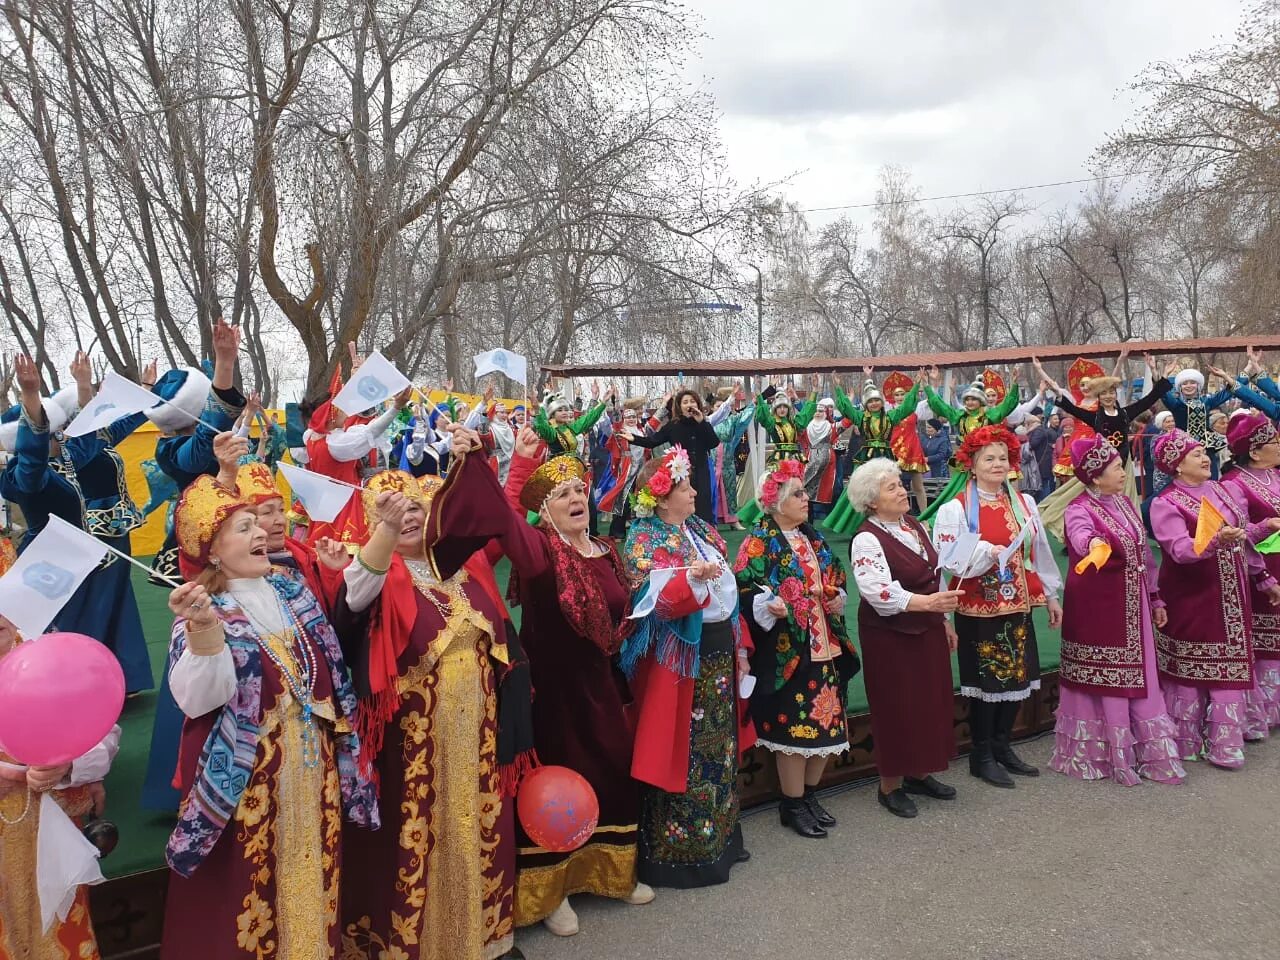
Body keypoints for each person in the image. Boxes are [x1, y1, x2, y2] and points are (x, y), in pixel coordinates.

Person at [432, 428, 653, 937]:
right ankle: (552, 892)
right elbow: (505, 519)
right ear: (546, 511)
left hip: (602, 684)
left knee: (614, 769)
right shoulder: (538, 553)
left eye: (579, 490)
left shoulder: (608, 549)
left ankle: (612, 873)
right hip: (553, 692)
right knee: (556, 783)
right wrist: (481, 462)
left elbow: (625, 614)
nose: (575, 499)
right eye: (562, 495)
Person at [159, 474, 379, 959]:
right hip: (248, 788)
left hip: (312, 774)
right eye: (244, 528)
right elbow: (196, 700)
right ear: (213, 551)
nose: (261, 533)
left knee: (313, 879)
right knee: (247, 895)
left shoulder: (291, 591)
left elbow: (331, 671)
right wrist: (203, 630)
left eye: (257, 523)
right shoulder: (204, 609)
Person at [334, 450, 533, 960]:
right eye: (394, 513)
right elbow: (352, 599)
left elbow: (496, 511)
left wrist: (502, 459)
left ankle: (484, 938)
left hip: (481, 737)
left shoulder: (467, 567)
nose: (409, 516)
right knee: (420, 837)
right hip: (413, 748)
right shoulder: (376, 576)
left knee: (479, 826)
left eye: (418, 508)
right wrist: (383, 531)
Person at [621, 447, 754, 888]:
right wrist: (688, 580)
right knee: (686, 749)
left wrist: (740, 645)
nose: (695, 491)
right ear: (660, 498)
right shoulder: (643, 536)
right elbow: (646, 601)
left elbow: (726, 588)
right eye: (685, 486)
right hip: (678, 664)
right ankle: (679, 854)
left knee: (717, 750)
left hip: (716, 652)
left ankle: (722, 841)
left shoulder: (698, 527)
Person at [0, 355, 155, 694]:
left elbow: (99, 430)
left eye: (56, 430)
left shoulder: (71, 455)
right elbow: (33, 458)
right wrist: (30, 398)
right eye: (51, 431)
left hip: (86, 553)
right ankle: (71, 688)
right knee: (70, 626)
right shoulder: (24, 476)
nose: (61, 435)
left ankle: (112, 680)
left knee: (105, 612)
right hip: (52, 560)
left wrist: (132, 390)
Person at [1048, 435, 1186, 786]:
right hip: (1100, 606)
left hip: (1134, 601)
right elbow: (1080, 535)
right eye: (1114, 468)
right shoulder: (1079, 509)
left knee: (1141, 673)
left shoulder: (1124, 503)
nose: (1122, 472)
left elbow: (1144, 556)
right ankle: (1108, 755)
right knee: (1108, 675)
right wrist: (1093, 543)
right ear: (1095, 476)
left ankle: (1143, 752)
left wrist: (1155, 599)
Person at [932, 425, 1063, 788]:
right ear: (971, 465)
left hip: (1018, 606)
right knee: (987, 685)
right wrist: (984, 554)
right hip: (978, 610)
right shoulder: (954, 510)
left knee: (1017, 679)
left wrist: (1051, 595)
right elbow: (949, 564)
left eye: (1003, 458)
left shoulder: (1024, 504)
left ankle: (1002, 745)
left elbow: (1040, 554)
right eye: (988, 458)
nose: (997, 464)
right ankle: (981, 753)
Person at [735, 459, 858, 838]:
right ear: (775, 503)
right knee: (794, 729)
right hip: (789, 651)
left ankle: (808, 796)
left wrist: (835, 595)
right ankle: (792, 802)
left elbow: (836, 577)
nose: (807, 498)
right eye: (798, 494)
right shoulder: (759, 541)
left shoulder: (812, 537)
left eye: (805, 492)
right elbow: (743, 587)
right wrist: (768, 605)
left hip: (826, 645)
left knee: (826, 722)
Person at [1149, 430, 1280, 769]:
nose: (1205, 458)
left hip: (1232, 595)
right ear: (1177, 467)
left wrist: (1263, 531)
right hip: (1192, 595)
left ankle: (1226, 745)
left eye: (1204, 452)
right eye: (1195, 455)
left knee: (1231, 664)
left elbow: (1242, 537)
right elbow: (1178, 549)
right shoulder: (1166, 503)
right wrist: (1215, 542)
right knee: (1193, 669)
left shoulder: (1220, 489)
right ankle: (1188, 741)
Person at [0, 615, 121, 960]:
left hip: (46, 830)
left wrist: (68, 766)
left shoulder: (46, 659)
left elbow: (101, 730)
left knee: (58, 930)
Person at [847, 459, 962, 818]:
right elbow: (876, 592)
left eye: (900, 484)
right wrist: (928, 603)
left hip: (925, 627)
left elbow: (934, 572)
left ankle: (919, 771)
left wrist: (942, 617)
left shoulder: (913, 525)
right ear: (872, 501)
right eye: (892, 487)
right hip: (890, 636)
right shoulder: (867, 537)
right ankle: (889, 785)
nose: (902, 490)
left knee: (928, 700)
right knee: (897, 706)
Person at [1220, 413, 1280, 734]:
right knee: (1266, 644)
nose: (1279, 445)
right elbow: (1237, 532)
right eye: (1274, 441)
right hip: (1261, 568)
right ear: (1255, 451)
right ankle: (1260, 714)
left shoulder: (1275, 475)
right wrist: (1267, 526)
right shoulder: (1234, 483)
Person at [917, 366, 1027, 522]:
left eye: (973, 399)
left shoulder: (990, 415)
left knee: (993, 488)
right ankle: (953, 518)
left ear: (980, 401)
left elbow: (1008, 405)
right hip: (965, 463)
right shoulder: (959, 415)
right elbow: (938, 404)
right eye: (967, 399)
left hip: (985, 460)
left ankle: (999, 516)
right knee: (958, 490)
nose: (969, 402)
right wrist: (927, 385)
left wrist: (1014, 384)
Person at [824, 372, 922, 533]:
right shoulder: (861, 417)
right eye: (870, 401)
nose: (874, 403)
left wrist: (916, 385)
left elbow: (907, 407)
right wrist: (838, 387)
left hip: (885, 457)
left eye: (877, 400)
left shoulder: (891, 417)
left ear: (882, 402)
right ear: (866, 404)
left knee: (887, 487)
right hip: (866, 458)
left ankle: (891, 519)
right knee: (860, 489)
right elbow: (845, 408)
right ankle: (851, 524)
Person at [626, 390, 723, 526]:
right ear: (679, 406)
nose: (689, 404)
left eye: (692, 401)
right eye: (685, 402)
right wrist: (633, 439)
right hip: (682, 475)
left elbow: (714, 443)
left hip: (702, 472)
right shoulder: (673, 426)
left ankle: (705, 540)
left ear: (697, 404)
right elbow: (652, 441)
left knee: (703, 507)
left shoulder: (702, 423)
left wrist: (702, 422)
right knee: (684, 507)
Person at [884, 370, 932, 514]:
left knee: (918, 486)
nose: (899, 397)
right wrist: (868, 378)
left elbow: (931, 402)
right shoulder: (888, 410)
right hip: (895, 450)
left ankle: (924, 516)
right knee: (893, 485)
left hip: (912, 449)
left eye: (902, 394)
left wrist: (926, 384)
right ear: (892, 397)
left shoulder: (915, 408)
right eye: (896, 395)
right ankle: (896, 515)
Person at [800, 396, 848, 523]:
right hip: (809, 462)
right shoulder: (805, 428)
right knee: (805, 490)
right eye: (816, 411)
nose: (817, 413)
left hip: (827, 465)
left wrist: (844, 400)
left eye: (821, 411)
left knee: (832, 490)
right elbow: (801, 417)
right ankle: (807, 521)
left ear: (826, 413)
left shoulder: (832, 427)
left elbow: (849, 420)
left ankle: (831, 518)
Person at [533, 384, 611, 458]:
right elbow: (542, 427)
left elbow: (587, 419)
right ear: (553, 414)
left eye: (566, 410)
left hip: (574, 467)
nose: (564, 413)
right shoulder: (552, 431)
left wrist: (603, 402)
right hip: (557, 469)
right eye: (560, 410)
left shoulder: (570, 428)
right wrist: (537, 410)